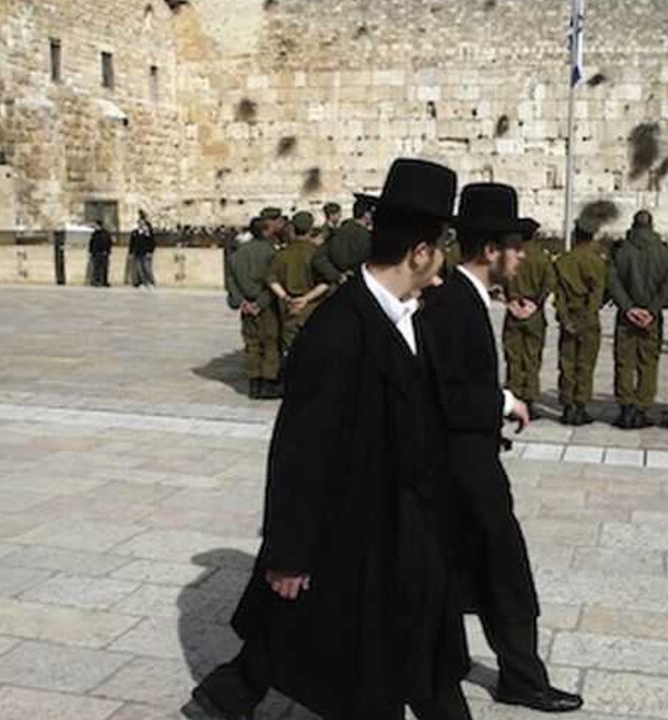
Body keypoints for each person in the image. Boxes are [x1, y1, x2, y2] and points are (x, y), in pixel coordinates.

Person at [186, 159, 471, 720]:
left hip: (405, 526)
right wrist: (288, 554)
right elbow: (299, 450)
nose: (442, 263)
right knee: (357, 666)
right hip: (357, 531)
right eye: (439, 248)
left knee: (415, 650)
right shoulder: (338, 329)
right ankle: (229, 694)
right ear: (419, 252)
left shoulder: (410, 315)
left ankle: (229, 694)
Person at [422, 183, 583, 714]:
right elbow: (447, 396)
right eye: (516, 245)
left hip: (465, 467)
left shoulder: (462, 299)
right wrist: (501, 405)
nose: (523, 255)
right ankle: (520, 678)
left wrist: (501, 399)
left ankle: (508, 671)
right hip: (465, 470)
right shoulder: (454, 305)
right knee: (503, 571)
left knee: (473, 574)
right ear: (491, 250)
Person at [608, 211, 668, 429]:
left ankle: (626, 408)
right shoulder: (666, 253)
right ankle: (641, 408)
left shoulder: (621, 251)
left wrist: (628, 308)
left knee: (624, 362)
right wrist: (652, 310)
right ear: (652, 225)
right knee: (648, 363)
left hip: (626, 318)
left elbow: (613, 281)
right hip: (651, 319)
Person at [554, 219, 605, 426]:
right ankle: (580, 406)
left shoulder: (562, 261)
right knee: (585, 365)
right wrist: (587, 320)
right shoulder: (597, 262)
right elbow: (596, 296)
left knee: (567, 364)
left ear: (576, 236)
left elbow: (558, 296)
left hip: (570, 317)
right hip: (588, 320)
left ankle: (567, 407)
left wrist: (566, 319)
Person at [225, 212, 282, 400]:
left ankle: (254, 385)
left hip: (246, 308)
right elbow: (272, 281)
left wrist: (242, 302)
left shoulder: (237, 254)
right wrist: (260, 303)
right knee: (270, 343)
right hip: (266, 308)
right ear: (265, 232)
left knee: (252, 344)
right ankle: (268, 384)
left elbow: (231, 281)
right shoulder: (272, 253)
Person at [502, 222, 556, 415]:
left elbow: (502, 280)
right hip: (534, 314)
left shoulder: (510, 256)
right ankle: (529, 401)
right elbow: (549, 283)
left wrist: (511, 302)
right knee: (532, 358)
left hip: (514, 312)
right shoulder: (542, 257)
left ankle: (514, 398)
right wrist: (535, 304)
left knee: (513, 358)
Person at [268, 211, 332, 353]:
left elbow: (272, 280)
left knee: (291, 353)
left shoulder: (282, 254)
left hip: (291, 309)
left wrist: (287, 298)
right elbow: (326, 282)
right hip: (314, 308)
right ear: (310, 229)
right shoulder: (318, 253)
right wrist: (305, 299)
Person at [311, 196, 375, 286]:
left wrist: (338, 276)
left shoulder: (338, 232)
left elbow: (319, 259)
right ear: (366, 215)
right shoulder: (367, 237)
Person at [129, 211, 157, 288]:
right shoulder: (135, 232)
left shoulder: (147, 233)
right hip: (138, 252)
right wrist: (131, 252)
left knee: (147, 268)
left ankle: (150, 282)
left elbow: (152, 242)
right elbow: (132, 243)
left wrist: (150, 251)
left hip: (146, 252)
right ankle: (142, 282)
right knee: (139, 269)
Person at [89, 220, 113, 287]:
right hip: (96, 253)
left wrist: (107, 251)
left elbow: (109, 243)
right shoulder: (94, 234)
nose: (95, 227)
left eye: (96, 226)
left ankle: (104, 281)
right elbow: (91, 243)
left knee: (104, 268)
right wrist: (91, 252)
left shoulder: (106, 234)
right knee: (96, 268)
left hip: (104, 253)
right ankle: (96, 281)